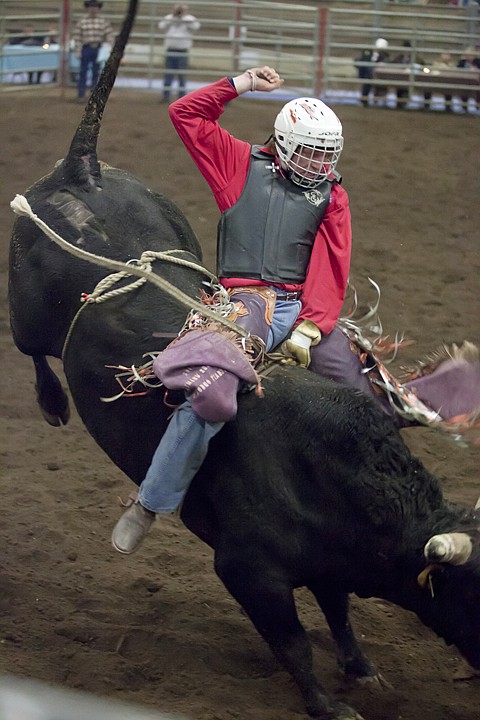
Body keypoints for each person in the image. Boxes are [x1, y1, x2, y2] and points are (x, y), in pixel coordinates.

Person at [111, 66, 373, 554]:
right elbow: (184, 113)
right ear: (286, 143)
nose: (320, 164)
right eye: (312, 152)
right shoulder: (236, 163)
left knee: (362, 396)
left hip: (301, 312)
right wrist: (242, 83)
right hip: (243, 303)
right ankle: (150, 502)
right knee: (210, 394)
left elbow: (331, 266)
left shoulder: (332, 195)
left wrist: (311, 328)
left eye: (327, 156)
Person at [73, 0, 115, 101]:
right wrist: (78, 50)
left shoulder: (103, 21)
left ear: (98, 8)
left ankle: (94, 95)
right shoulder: (82, 22)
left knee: (96, 72)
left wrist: (107, 46)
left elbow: (110, 35)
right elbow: (77, 37)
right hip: (86, 48)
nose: (93, 9)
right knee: (83, 71)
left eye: (95, 7)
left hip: (99, 48)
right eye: (91, 7)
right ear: (87, 8)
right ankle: (81, 94)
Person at [158, 3, 201, 103]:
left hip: (183, 51)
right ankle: (166, 96)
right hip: (170, 50)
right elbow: (161, 26)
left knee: (182, 75)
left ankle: (182, 97)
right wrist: (174, 17)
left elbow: (196, 26)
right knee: (168, 74)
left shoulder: (189, 19)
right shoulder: (169, 18)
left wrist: (184, 18)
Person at [354, 38, 390, 107]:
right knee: (367, 79)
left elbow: (386, 64)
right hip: (367, 75)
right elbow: (360, 62)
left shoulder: (385, 56)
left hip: (379, 76)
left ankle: (378, 100)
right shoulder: (368, 52)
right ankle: (364, 100)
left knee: (381, 83)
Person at [456, 47, 480, 113]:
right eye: (467, 55)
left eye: (470, 55)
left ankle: (477, 106)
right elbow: (457, 70)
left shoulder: (478, 62)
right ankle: (464, 106)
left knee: (478, 89)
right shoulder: (462, 62)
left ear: (474, 55)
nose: (468, 57)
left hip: (476, 82)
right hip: (464, 81)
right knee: (463, 88)